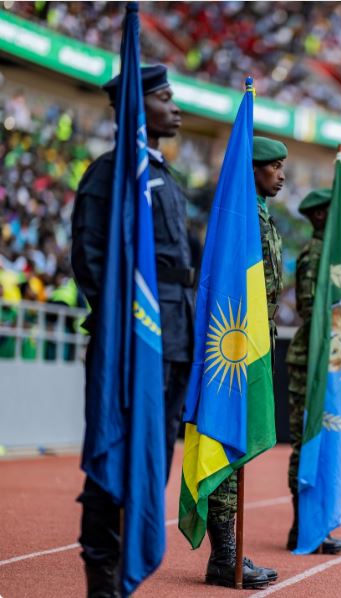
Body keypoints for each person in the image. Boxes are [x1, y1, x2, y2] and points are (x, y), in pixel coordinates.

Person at [71, 65, 196, 597]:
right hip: (136, 338)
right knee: (118, 451)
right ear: (137, 107)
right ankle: (102, 576)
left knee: (154, 454)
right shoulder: (111, 173)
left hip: (175, 334)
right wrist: (123, 326)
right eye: (165, 97)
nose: (176, 107)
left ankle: (125, 567)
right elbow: (91, 257)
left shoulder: (163, 174)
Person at [197, 137, 292, 588]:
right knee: (226, 442)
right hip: (235, 344)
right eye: (274, 166)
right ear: (253, 170)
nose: (282, 175)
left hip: (256, 343)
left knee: (237, 449)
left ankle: (228, 552)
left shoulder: (263, 217)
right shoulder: (242, 217)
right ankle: (223, 556)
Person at [285, 188, 341, 554]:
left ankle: (317, 523)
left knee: (325, 438)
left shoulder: (333, 254)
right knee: (306, 441)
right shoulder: (314, 255)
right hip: (310, 361)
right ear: (322, 215)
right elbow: (312, 311)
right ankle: (303, 526)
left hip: (328, 360)